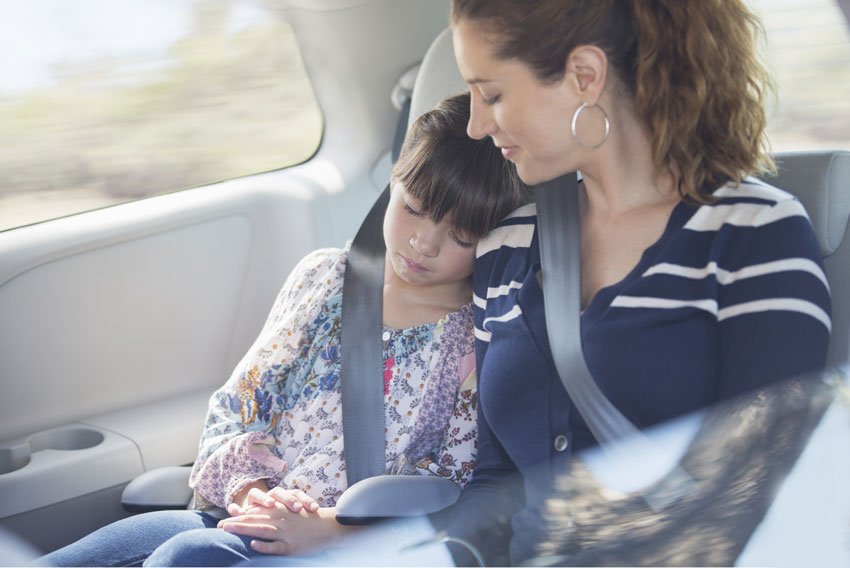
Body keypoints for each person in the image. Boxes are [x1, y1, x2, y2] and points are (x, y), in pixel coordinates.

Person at [35, 91, 530, 567]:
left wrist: (327, 528)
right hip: (239, 513)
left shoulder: (477, 338)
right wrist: (255, 499)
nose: (423, 242)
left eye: (461, 234)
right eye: (413, 208)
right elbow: (240, 406)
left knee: (187, 558)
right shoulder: (325, 279)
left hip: (344, 544)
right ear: (394, 183)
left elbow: (452, 486)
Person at [440, 0, 832, 565]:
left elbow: (759, 497)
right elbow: (496, 481)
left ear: (584, 76)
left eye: (493, 94)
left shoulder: (753, 235)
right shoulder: (504, 248)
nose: (477, 124)